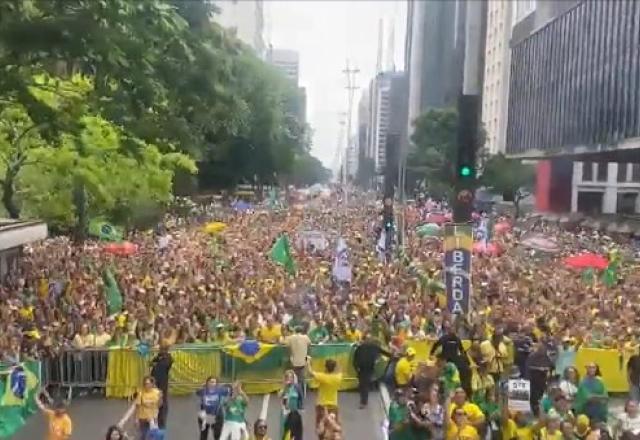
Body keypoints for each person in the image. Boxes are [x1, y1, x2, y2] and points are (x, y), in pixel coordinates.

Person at [353, 332, 392, 408]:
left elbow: (355, 360)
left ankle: (363, 402)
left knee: (364, 385)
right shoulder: (372, 347)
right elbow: (385, 353)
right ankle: (364, 401)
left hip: (363, 368)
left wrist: (356, 368)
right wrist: (393, 356)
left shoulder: (361, 347)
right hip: (367, 368)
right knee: (364, 385)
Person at [119, 376, 163, 440]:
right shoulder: (141, 393)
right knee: (143, 436)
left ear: (152, 384)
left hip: (153, 418)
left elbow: (159, 405)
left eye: (148, 383)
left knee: (153, 436)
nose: (146, 385)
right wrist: (136, 419)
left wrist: (160, 398)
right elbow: (137, 406)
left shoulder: (157, 392)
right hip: (143, 419)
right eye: (145, 384)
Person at [308, 358, 343, 428]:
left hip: (322, 405)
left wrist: (308, 362)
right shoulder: (338, 378)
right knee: (333, 427)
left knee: (320, 427)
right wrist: (337, 363)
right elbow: (340, 370)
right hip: (333, 405)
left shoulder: (322, 377)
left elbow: (310, 372)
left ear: (325, 367)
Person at [283, 325, 311, 403]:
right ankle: (301, 395)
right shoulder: (306, 337)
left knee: (293, 378)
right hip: (303, 361)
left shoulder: (290, 338)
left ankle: (294, 393)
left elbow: (285, 344)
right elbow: (310, 345)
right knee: (301, 379)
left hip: (294, 361)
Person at [150, 343, 173, 429]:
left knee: (162, 399)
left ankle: (161, 421)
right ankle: (153, 417)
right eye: (160, 350)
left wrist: (159, 360)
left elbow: (167, 366)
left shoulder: (168, 358)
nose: (161, 351)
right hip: (155, 379)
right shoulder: (158, 357)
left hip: (163, 380)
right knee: (154, 398)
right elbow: (152, 363)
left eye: (163, 350)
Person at [279, 370, 303, 440]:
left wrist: (300, 408)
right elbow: (279, 395)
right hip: (285, 414)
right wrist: (284, 386)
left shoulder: (297, 387)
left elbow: (301, 399)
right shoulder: (284, 388)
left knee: (295, 434)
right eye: (287, 377)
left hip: (294, 414)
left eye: (291, 377)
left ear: (293, 378)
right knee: (285, 434)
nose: (289, 379)